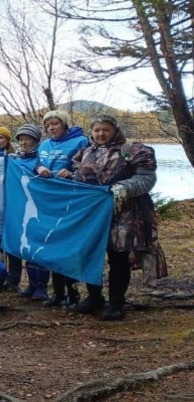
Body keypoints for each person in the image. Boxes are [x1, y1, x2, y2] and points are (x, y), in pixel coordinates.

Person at [72, 115, 167, 321]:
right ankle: (94, 296)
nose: (101, 134)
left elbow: (146, 179)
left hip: (124, 215)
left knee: (118, 258)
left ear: (115, 130)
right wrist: (65, 176)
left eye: (105, 130)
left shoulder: (133, 151)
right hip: (93, 215)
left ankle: (116, 302)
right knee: (92, 255)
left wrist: (123, 188)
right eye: (97, 130)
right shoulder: (86, 152)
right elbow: (78, 178)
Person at [37, 110, 89, 308]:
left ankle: (72, 292)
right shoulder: (44, 145)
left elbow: (88, 167)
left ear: (64, 124)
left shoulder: (80, 142)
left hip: (70, 202)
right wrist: (38, 169)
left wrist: (73, 172)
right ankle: (58, 293)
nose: (51, 128)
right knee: (51, 246)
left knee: (67, 248)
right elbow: (37, 164)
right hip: (48, 203)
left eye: (55, 124)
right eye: (48, 125)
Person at [6, 124, 49, 300]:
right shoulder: (15, 160)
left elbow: (46, 176)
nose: (23, 143)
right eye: (21, 139)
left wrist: (42, 170)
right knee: (26, 246)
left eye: (27, 139)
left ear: (36, 141)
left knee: (38, 247)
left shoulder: (41, 158)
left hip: (39, 208)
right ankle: (31, 284)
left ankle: (42, 285)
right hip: (20, 209)